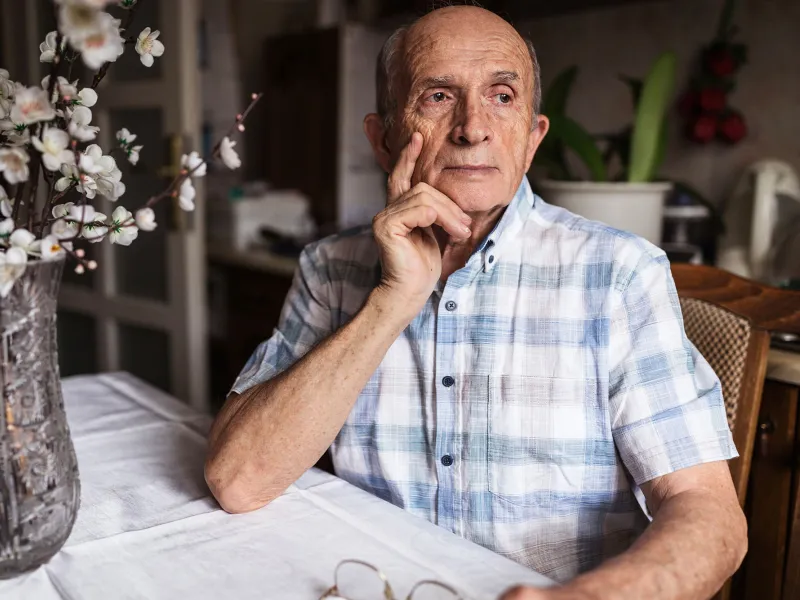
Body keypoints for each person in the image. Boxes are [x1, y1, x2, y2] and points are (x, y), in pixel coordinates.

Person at [205, 5, 747, 599]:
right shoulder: (329, 269)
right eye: (438, 96)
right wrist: (395, 297)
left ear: (533, 138)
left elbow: (710, 515)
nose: (473, 127)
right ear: (382, 139)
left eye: (503, 96)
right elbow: (238, 480)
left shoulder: (619, 274)